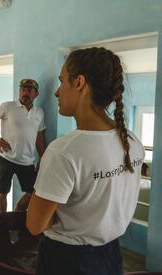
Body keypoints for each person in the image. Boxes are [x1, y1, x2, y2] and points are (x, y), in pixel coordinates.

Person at [26, 47, 145, 275]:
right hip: (111, 256)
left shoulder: (64, 151)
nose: (57, 93)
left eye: (62, 82)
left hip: (66, 260)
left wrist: (64, 216)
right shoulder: (132, 141)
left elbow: (35, 225)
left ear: (79, 82)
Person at [0, 78, 46, 213]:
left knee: (32, 193)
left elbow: (39, 136)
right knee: (2, 191)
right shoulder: (8, 106)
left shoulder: (39, 112)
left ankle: (16, 213)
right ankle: (3, 221)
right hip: (6, 158)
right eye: (23, 89)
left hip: (27, 161)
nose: (25, 93)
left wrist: (42, 156)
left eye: (29, 90)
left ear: (36, 94)